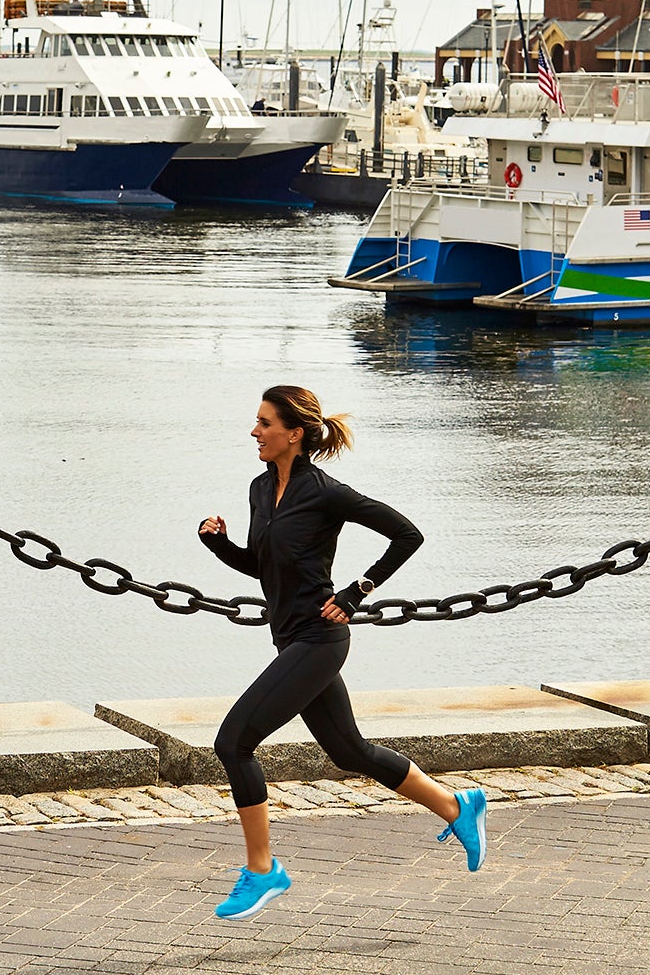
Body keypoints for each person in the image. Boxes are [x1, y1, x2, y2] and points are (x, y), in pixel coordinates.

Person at [196, 385, 487, 920]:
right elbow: (266, 567)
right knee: (350, 753)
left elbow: (407, 535)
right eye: (256, 422)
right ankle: (456, 806)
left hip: (318, 640)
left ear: (294, 434)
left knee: (233, 742)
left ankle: (262, 870)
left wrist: (357, 591)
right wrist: (220, 546)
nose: (254, 432)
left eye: (264, 423)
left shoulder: (326, 492)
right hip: (289, 637)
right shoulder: (261, 490)